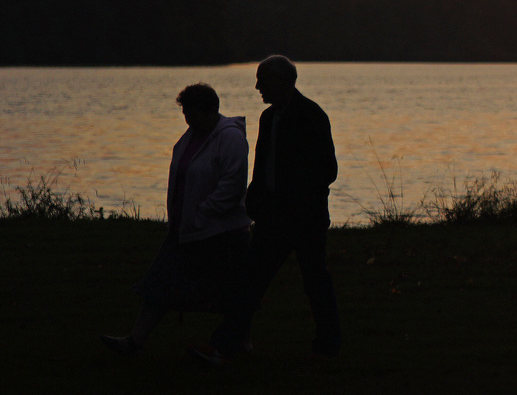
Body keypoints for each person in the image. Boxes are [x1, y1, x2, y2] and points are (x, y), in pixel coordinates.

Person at [193, 55, 340, 363]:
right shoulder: (268, 118)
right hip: (274, 216)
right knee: (251, 281)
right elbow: (263, 165)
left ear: (282, 82)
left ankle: (327, 347)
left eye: (262, 79)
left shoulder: (311, 116)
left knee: (314, 282)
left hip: (304, 217)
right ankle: (225, 345)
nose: (257, 86)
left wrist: (293, 198)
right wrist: (257, 198)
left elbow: (327, 169)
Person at [101, 83, 250, 356]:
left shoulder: (229, 138)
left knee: (230, 290)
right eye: (185, 113)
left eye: (191, 113)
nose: (187, 119)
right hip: (187, 230)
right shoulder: (191, 136)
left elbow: (233, 183)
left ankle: (238, 343)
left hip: (220, 232)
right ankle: (136, 340)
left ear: (208, 111)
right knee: (161, 284)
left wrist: (205, 211)